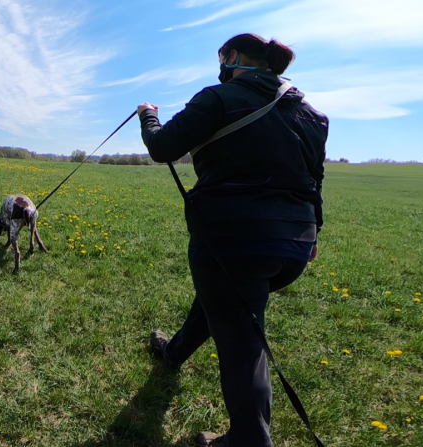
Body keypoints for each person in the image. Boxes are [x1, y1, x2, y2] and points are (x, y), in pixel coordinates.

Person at [137, 33, 328, 447]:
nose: (219, 65)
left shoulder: (218, 98)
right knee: (224, 299)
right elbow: (315, 180)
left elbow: (163, 147)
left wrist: (148, 116)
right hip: (293, 244)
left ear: (234, 57)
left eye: (221, 58)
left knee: (242, 339)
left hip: (233, 240)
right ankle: (173, 353)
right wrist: (315, 232)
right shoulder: (310, 112)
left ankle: (248, 438)